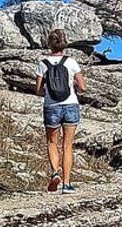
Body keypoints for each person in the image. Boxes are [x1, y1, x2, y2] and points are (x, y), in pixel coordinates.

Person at [35, 29, 86, 194]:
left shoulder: (43, 63)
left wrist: (48, 93)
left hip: (51, 106)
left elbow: (38, 89)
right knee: (67, 146)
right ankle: (66, 183)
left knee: (52, 143)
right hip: (70, 104)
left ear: (49, 44)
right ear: (65, 44)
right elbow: (83, 87)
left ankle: (54, 172)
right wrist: (74, 87)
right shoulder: (71, 62)